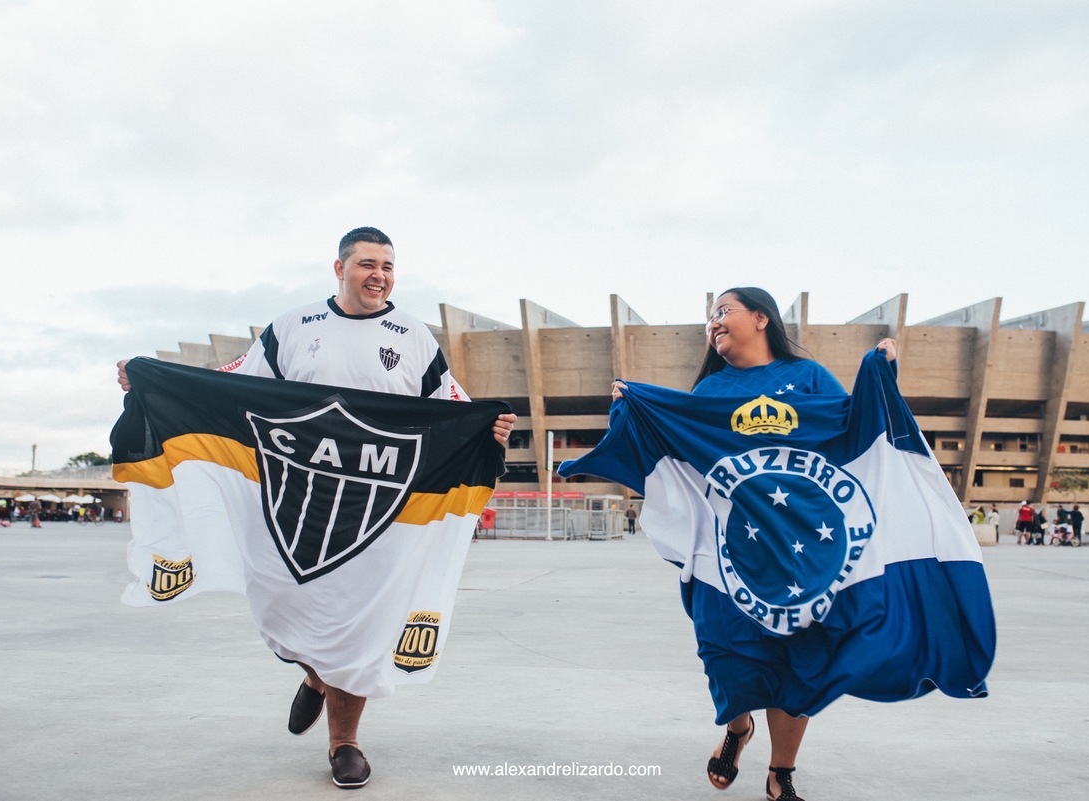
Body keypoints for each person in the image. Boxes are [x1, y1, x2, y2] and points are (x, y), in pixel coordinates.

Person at [117, 226, 515, 790]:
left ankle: (344, 742)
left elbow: (450, 403)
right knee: (279, 608)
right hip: (291, 496)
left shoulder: (413, 336)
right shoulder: (293, 326)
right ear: (339, 268)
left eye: (388, 266)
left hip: (380, 505)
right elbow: (234, 382)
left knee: (361, 620)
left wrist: (488, 424)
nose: (379, 275)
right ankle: (316, 677)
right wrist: (154, 379)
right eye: (367, 264)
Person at [610, 287, 895, 801]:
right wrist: (633, 411)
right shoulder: (709, 392)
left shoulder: (806, 378)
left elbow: (853, 428)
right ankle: (738, 728)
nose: (713, 323)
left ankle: (780, 772)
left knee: (798, 659)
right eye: (709, 317)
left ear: (761, 318)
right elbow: (675, 458)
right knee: (724, 653)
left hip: (800, 548)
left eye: (723, 311)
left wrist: (879, 372)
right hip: (728, 550)